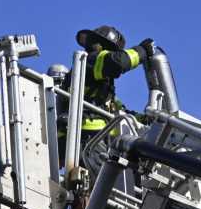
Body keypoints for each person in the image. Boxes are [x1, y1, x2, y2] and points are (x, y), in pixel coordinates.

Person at [62, 26, 155, 156]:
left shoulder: (96, 83)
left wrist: (142, 119)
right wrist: (142, 51)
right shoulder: (92, 61)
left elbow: (116, 108)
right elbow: (118, 62)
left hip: (87, 138)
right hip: (86, 137)